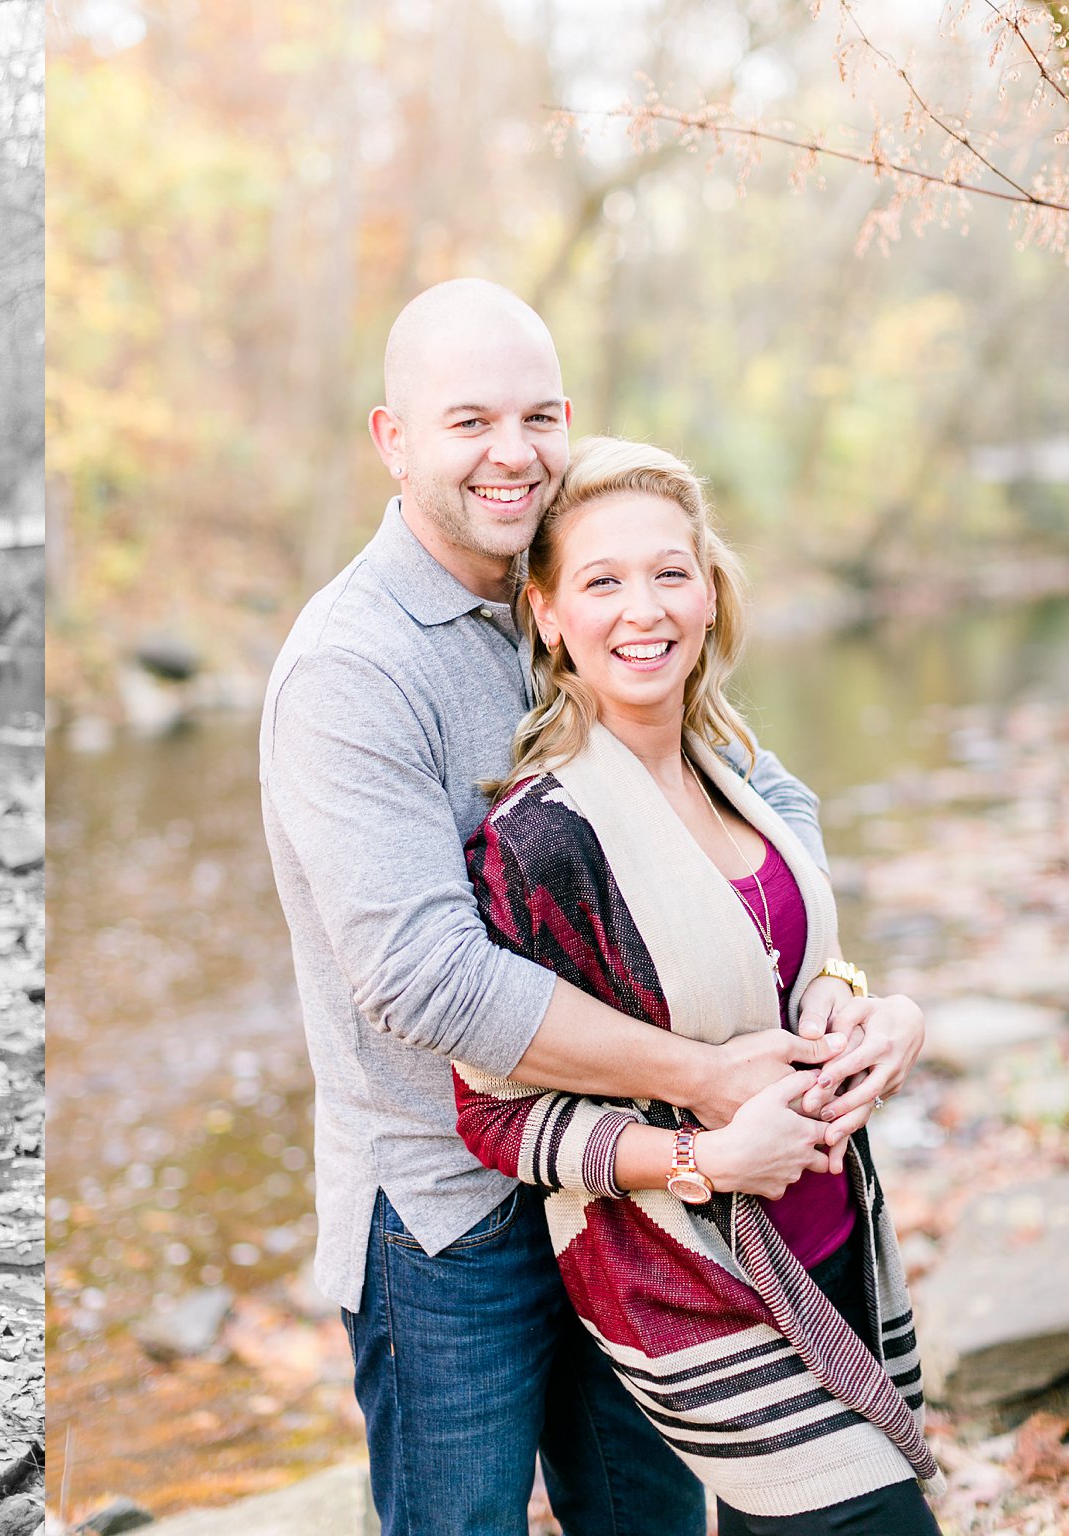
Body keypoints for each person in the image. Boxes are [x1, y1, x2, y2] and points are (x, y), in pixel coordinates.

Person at [258, 279, 926, 1535]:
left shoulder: (578, 586)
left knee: (649, 1518)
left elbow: (761, 799)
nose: (512, 454)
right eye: (467, 422)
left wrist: (839, 994)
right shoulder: (351, 669)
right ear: (391, 440)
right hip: (450, 1212)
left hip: (628, 1196)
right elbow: (425, 981)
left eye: (538, 414)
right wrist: (707, 1077)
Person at [452, 435, 941, 1532]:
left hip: (830, 1237)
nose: (643, 609)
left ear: (709, 596)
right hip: (689, 1284)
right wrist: (701, 1157)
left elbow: (788, 965)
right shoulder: (542, 836)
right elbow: (489, 1110)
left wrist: (869, 1005)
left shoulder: (728, 767)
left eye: (670, 572)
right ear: (545, 614)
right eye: (601, 580)